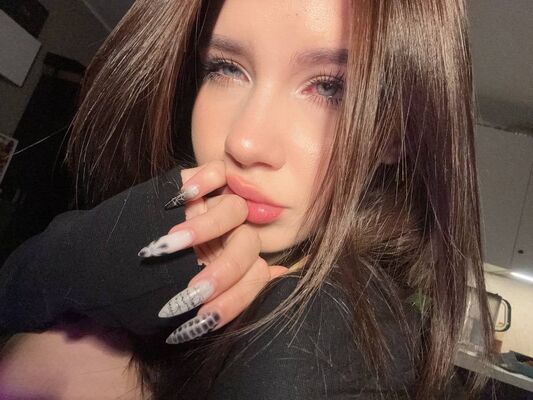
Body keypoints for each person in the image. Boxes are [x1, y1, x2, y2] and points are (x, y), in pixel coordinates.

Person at [0, 0, 494, 398]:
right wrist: (53, 270)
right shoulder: (147, 219)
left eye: (331, 87)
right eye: (226, 68)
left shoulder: (327, 344)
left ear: (397, 135)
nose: (245, 141)